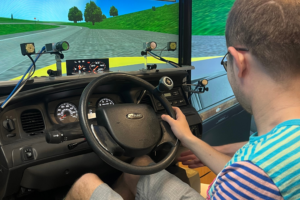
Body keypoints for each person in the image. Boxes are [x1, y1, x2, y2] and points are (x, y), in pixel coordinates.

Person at [65, 0, 300, 199]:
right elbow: (246, 167)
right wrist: (190, 139)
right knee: (138, 166)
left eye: (226, 62)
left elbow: (249, 174)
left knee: (85, 184)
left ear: (239, 63)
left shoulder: (250, 177)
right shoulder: (272, 155)